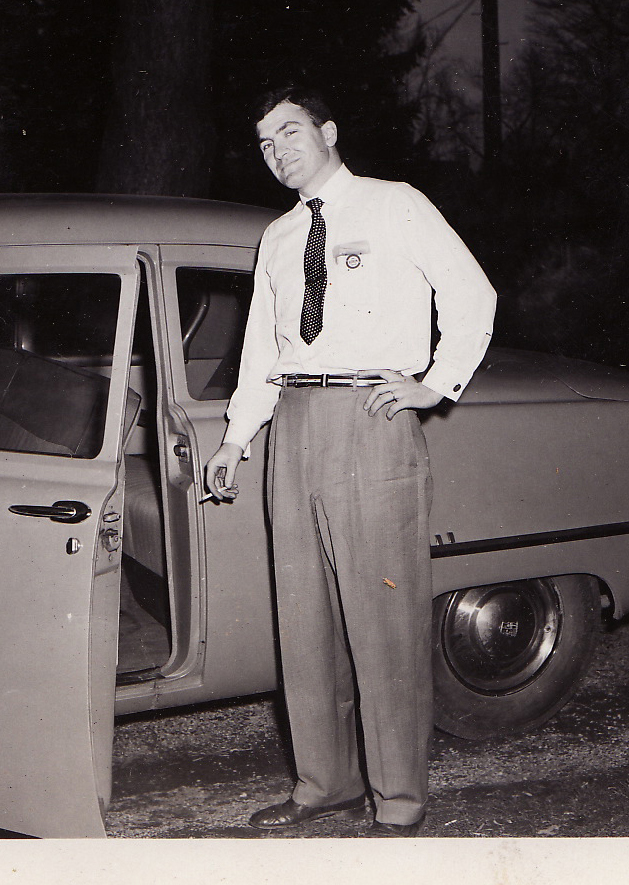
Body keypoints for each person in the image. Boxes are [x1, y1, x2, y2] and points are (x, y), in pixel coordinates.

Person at [204, 89, 495, 837]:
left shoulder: (395, 204)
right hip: (294, 422)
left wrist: (434, 382)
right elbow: (264, 349)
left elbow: (471, 291)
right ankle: (322, 782)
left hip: (372, 419)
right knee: (304, 619)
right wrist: (239, 437)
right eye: (265, 142)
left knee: (383, 618)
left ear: (328, 131)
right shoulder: (276, 237)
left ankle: (397, 799)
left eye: (289, 131)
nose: (277, 150)